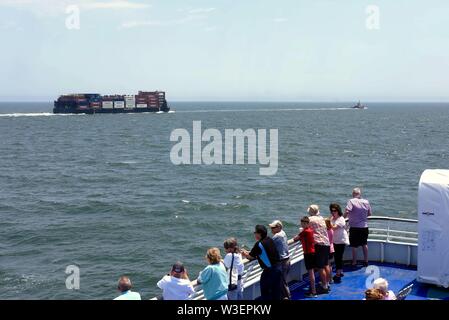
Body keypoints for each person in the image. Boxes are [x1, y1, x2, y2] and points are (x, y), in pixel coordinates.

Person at [242, 225, 282, 300]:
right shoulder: (269, 239)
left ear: (259, 234)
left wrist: (244, 254)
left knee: (266, 293)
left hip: (269, 272)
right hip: (278, 268)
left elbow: (251, 256)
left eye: (255, 232)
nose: (254, 234)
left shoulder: (258, 244)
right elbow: (264, 252)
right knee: (276, 293)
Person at [344, 188, 372, 267]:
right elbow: (369, 214)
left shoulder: (351, 201)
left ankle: (354, 262)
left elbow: (347, 211)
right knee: (364, 244)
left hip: (354, 227)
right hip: (364, 227)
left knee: (354, 246)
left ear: (353, 194)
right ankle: (366, 261)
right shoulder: (366, 202)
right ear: (360, 194)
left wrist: (342, 218)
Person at [307, 204, 331, 294]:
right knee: (326, 264)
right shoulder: (321, 218)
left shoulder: (310, 219)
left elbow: (306, 229)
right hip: (326, 243)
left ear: (311, 211)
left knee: (320, 267)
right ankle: (327, 283)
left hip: (319, 245)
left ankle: (324, 287)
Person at [293, 216, 317, 298]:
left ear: (307, 223)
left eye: (304, 223)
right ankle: (313, 289)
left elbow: (295, 238)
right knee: (312, 272)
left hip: (308, 254)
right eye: (302, 223)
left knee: (310, 273)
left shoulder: (305, 232)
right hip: (312, 253)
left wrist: (300, 235)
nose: (302, 225)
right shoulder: (310, 230)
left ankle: (313, 291)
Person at [269, 220, 291, 300]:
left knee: (282, 283)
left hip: (282, 262)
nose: (271, 229)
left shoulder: (277, 236)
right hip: (287, 260)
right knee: (283, 282)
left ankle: (287, 298)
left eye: (273, 228)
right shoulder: (283, 233)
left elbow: (268, 245)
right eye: (271, 228)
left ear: (279, 227)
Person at [330, 203, 349, 283]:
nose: (333, 212)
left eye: (334, 211)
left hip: (340, 240)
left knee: (338, 257)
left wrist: (327, 223)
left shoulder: (341, 219)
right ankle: (340, 271)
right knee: (337, 257)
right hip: (334, 240)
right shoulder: (332, 218)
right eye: (331, 211)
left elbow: (334, 228)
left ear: (338, 211)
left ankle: (338, 274)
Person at [325, 218, 335, 285]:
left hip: (327, 249)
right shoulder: (332, 230)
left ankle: (329, 280)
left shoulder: (326, 231)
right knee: (330, 265)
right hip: (332, 248)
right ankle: (330, 279)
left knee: (327, 265)